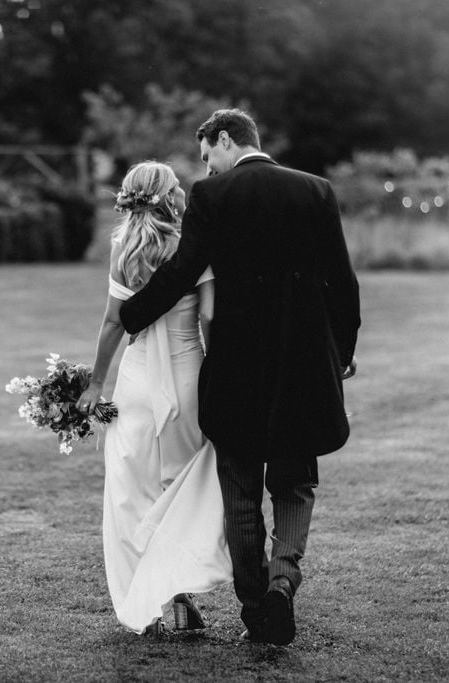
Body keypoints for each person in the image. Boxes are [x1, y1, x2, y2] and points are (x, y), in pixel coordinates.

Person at [118, 110, 360, 646]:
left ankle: (255, 610)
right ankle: (283, 583)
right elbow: (341, 280)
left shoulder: (213, 197)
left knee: (241, 493)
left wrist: (130, 317)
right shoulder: (315, 191)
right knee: (295, 483)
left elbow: (181, 271)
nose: (205, 170)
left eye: (207, 157)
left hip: (237, 370)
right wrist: (341, 353)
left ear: (226, 140)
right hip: (302, 365)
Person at [76, 161, 232, 635]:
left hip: (137, 382)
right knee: (184, 487)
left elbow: (112, 323)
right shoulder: (194, 241)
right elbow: (208, 316)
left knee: (131, 492)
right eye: (178, 187)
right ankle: (176, 590)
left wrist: (95, 384)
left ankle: (155, 604)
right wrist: (217, 365)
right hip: (188, 377)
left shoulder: (125, 246)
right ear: (169, 196)